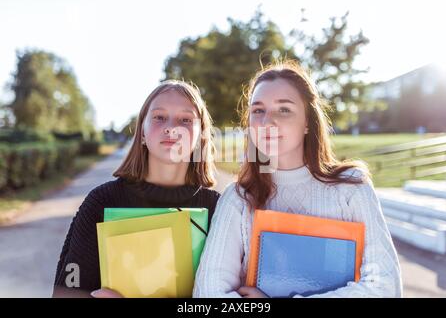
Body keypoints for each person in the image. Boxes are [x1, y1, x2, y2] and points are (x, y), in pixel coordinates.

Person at [193, 60, 402, 298]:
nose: (267, 121)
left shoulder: (351, 187)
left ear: (307, 122)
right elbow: (208, 293)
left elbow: (385, 287)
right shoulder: (238, 198)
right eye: (258, 110)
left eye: (284, 109)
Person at [53, 80, 220, 298]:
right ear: (142, 132)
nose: (171, 127)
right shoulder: (101, 201)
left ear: (201, 136)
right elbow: (67, 292)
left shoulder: (219, 208)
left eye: (186, 119)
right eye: (159, 117)